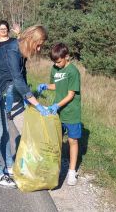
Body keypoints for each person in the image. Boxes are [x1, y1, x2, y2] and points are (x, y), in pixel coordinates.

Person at [0, 25, 49, 189]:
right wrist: (36, 103)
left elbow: (22, 77)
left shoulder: (21, 52)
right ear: (31, 40)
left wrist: (27, 99)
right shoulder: (12, 52)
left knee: (5, 130)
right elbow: (18, 80)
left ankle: (9, 166)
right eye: (39, 44)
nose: (40, 48)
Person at [37, 42, 81, 186]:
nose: (56, 64)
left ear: (66, 57)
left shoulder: (73, 71)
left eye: (58, 61)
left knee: (72, 141)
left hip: (71, 112)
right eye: (54, 62)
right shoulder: (55, 69)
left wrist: (56, 105)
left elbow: (70, 95)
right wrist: (45, 86)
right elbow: (56, 85)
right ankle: (55, 167)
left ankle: (71, 171)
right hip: (58, 113)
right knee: (56, 139)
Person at [0, 20, 23, 120]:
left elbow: (21, 45)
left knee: (9, 93)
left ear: (8, 30)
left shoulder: (13, 41)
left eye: (5, 29)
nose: (3, 30)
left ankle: (8, 111)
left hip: (11, 71)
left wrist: (19, 33)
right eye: (1, 29)